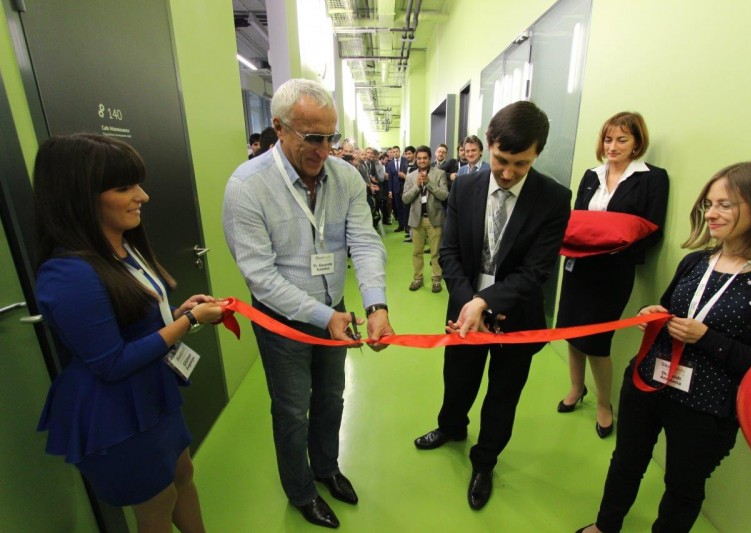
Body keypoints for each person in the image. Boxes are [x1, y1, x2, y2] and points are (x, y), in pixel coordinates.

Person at [577, 160, 751, 533]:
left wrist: (709, 339)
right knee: (626, 462)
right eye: (707, 204)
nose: (710, 213)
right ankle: (605, 525)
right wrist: (652, 314)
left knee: (683, 487)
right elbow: (669, 309)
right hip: (648, 385)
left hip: (708, 409)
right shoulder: (697, 261)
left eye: (724, 204)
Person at [222, 78, 394, 530]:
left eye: (330, 137)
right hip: (283, 324)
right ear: (279, 128)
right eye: (311, 138)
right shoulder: (247, 187)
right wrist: (324, 316)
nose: (323, 149)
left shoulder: (346, 177)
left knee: (333, 399)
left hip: (335, 311)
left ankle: (326, 469)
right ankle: (300, 491)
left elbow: (364, 240)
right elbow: (260, 276)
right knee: (292, 410)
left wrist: (376, 305)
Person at [33, 134, 224, 532]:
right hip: (116, 412)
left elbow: (133, 319)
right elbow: (112, 362)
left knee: (182, 476)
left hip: (153, 392)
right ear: (80, 196)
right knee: (156, 505)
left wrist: (177, 312)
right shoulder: (68, 274)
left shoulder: (122, 246)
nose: (143, 196)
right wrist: (188, 322)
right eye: (124, 188)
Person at [414, 100, 571, 510]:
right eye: (501, 159)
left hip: (517, 317)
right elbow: (448, 254)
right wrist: (470, 304)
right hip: (465, 310)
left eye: (521, 163)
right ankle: (451, 427)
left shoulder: (554, 198)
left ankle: (484, 461)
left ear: (537, 153)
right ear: (488, 144)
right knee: (458, 379)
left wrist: (487, 302)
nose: (507, 172)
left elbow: (537, 271)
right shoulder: (465, 187)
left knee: (503, 395)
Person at [555, 112, 669, 438]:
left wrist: (618, 250)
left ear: (637, 143)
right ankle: (577, 388)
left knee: (597, 341)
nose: (613, 146)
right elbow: (576, 221)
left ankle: (605, 404)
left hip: (614, 270)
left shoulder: (652, 178)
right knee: (571, 331)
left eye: (622, 139)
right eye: (608, 139)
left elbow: (653, 230)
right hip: (578, 266)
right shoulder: (591, 174)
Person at [402, 145, 449, 293]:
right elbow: (405, 199)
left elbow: (444, 195)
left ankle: (436, 280)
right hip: (417, 220)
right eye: (419, 158)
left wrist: (428, 182)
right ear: (416, 159)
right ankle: (418, 279)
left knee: (436, 252)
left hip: (434, 219)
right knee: (417, 252)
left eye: (425, 158)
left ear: (430, 159)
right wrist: (416, 186)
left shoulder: (440, 173)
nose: (422, 161)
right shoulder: (410, 176)